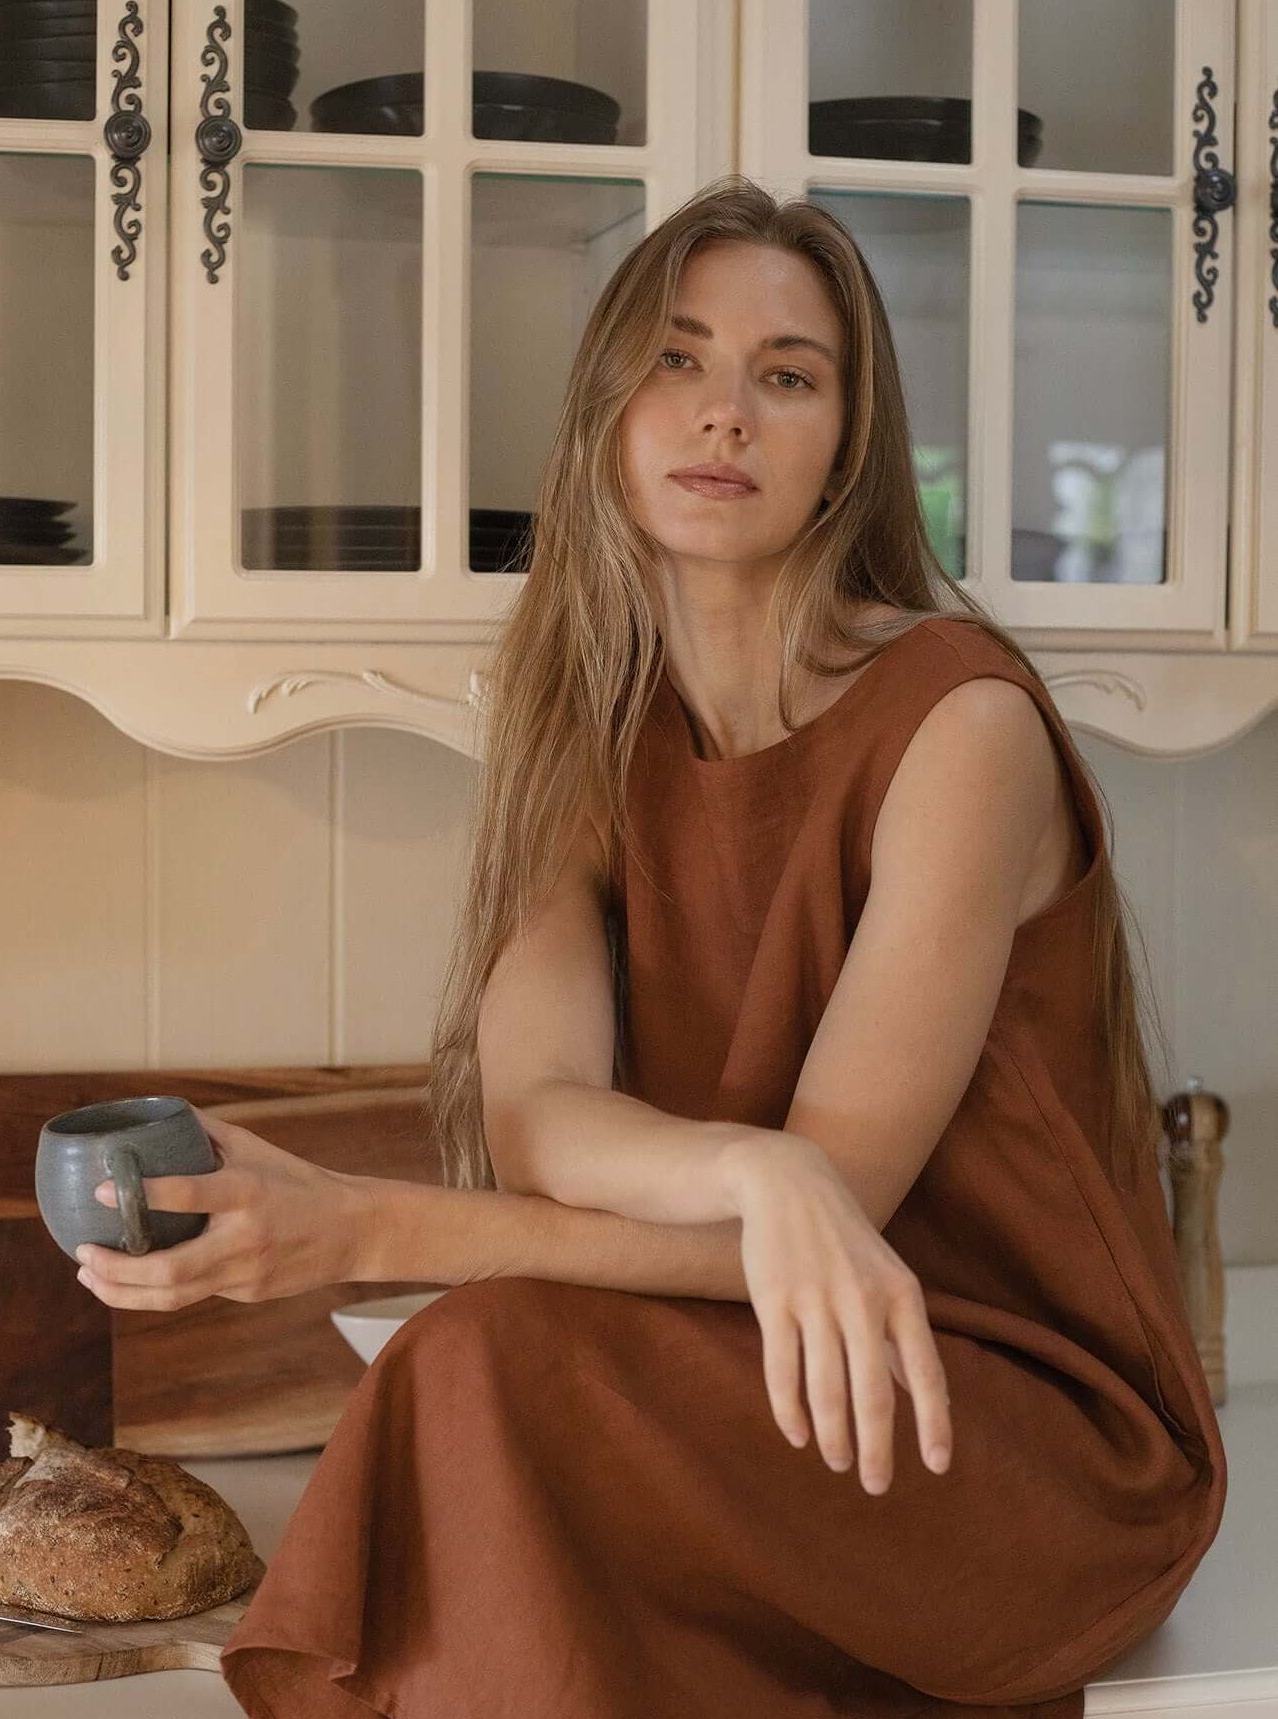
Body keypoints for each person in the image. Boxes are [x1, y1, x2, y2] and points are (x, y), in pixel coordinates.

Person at [75, 175, 1226, 1719]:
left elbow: (818, 1239)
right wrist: (758, 1168)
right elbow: (543, 1123)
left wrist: (364, 1229)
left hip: (1006, 1431)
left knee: (478, 1365)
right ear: (610, 414)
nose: (724, 411)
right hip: (748, 1387)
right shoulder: (589, 737)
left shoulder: (964, 727)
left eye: (787, 376)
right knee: (480, 1383)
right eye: (678, 359)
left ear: (846, 450)